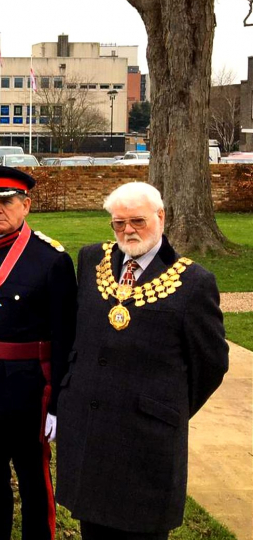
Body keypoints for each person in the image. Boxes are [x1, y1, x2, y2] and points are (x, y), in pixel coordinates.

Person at [56, 182, 228, 540]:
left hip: (146, 438)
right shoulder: (91, 260)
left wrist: (167, 406)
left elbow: (210, 364)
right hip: (92, 429)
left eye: (137, 221)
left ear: (160, 217)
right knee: (93, 528)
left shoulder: (193, 282)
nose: (128, 231)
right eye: (118, 223)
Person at [0, 166, 76, 540]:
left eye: (6, 202)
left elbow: (65, 337)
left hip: (28, 390)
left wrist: (57, 400)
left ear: (26, 205)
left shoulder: (51, 258)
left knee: (32, 479)